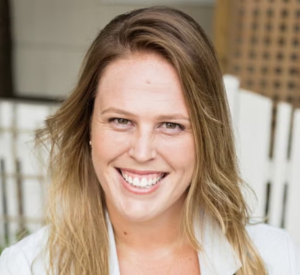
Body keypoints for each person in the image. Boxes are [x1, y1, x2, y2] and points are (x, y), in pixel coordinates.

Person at [0, 6, 299, 275]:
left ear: (207, 139)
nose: (142, 152)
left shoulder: (276, 260)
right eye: (121, 121)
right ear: (88, 127)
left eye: (171, 125)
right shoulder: (27, 267)